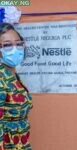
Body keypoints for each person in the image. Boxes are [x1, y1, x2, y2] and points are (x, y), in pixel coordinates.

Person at [0, 22, 32, 150]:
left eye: (18, 44)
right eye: (7, 45)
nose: (15, 49)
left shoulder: (13, 76)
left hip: (20, 143)